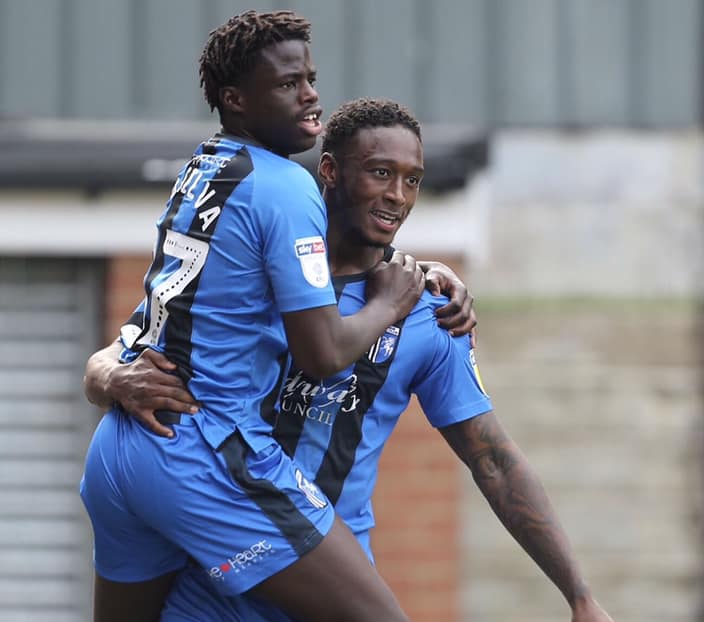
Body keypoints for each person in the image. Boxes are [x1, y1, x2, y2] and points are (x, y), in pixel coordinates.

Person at [86, 98, 613, 622]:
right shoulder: (251, 274)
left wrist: (579, 595)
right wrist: (111, 376)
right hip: (212, 586)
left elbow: (491, 458)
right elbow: (125, 348)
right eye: (381, 173)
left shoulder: (430, 314)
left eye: (412, 180)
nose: (397, 196)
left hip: (328, 586)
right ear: (331, 171)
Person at [79, 12, 474, 622]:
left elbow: (168, 312)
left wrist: (105, 374)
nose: (310, 95)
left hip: (117, 450)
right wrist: (391, 302)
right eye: (289, 84)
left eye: (311, 79)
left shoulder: (201, 171)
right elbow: (322, 353)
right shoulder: (288, 186)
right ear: (235, 99)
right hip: (200, 450)